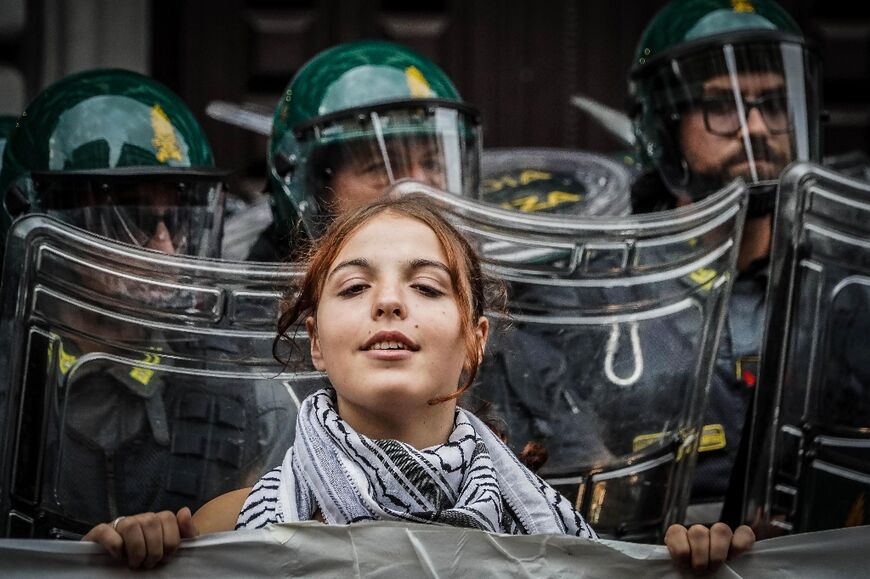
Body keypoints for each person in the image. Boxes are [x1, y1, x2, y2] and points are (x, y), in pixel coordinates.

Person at [83, 196, 755, 572]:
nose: (389, 303)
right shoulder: (219, 535)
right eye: (354, 286)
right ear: (316, 339)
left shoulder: (566, 545)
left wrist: (699, 565)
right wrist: (131, 556)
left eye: (427, 285)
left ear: (475, 341)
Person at [0, 69, 294, 531]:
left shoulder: (247, 397)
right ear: (50, 217)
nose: (166, 249)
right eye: (134, 218)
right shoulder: (10, 379)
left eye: (176, 221)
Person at [626, 0, 822, 518]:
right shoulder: (608, 292)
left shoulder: (844, 286)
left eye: (775, 104)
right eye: (724, 105)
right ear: (664, 124)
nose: (756, 127)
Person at [247, 40, 481, 260]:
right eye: (381, 166)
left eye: (432, 164)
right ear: (315, 191)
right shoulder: (258, 301)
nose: (419, 188)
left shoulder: (487, 289)